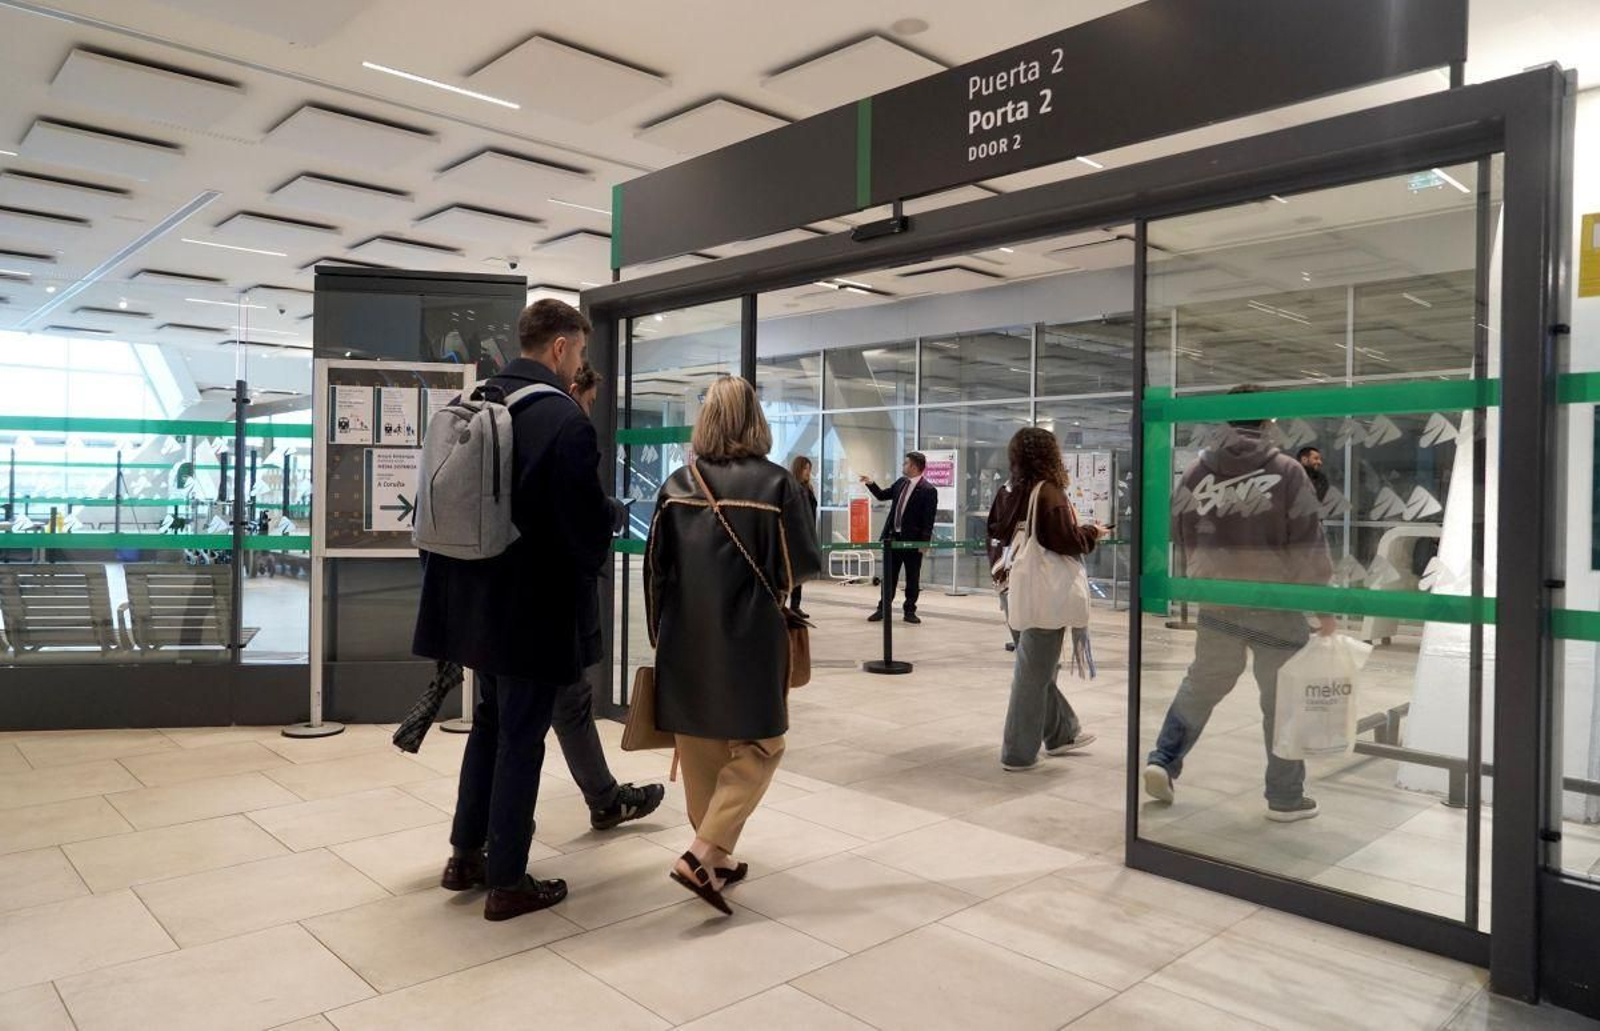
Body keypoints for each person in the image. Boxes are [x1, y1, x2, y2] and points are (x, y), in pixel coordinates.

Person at [414, 298, 612, 921]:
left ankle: (464, 856)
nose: (579, 362)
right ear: (559, 347)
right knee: (523, 740)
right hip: (531, 611)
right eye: (579, 351)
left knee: (491, 728)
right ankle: (507, 881)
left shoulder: (477, 400)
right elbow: (582, 531)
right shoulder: (562, 419)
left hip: (468, 603)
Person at [645, 376, 822, 914]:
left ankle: (716, 857)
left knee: (700, 749)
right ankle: (702, 852)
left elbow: (656, 572)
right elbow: (799, 567)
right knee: (762, 744)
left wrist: (662, 636)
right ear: (756, 419)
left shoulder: (677, 483)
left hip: (684, 635)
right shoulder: (777, 485)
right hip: (750, 636)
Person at [1145, 385, 1336, 822]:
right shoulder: (1288, 472)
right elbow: (1308, 543)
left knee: (1203, 683)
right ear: (1267, 422)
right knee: (1281, 698)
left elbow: (1178, 531)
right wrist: (1323, 605)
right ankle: (1285, 797)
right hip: (1275, 602)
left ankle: (1163, 759)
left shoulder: (1196, 472)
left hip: (1218, 601)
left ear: (1225, 420)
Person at [555, 360, 666, 831]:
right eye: (593, 398)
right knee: (561, 704)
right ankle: (603, 799)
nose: (591, 407)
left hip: (503, 602)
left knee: (556, 705)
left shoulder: (508, 415)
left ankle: (467, 847)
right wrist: (613, 512)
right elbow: (580, 513)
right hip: (554, 599)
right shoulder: (567, 424)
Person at [987, 429, 1107, 772]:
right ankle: (1017, 752)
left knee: (1035, 667)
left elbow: (995, 537)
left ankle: (1062, 733)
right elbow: (1065, 541)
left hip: (1012, 588)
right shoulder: (1048, 492)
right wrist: (1092, 533)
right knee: (1032, 673)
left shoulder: (1007, 492)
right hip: (1042, 593)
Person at [859, 452, 938, 624]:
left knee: (912, 578)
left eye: (906, 463)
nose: (903, 465)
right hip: (893, 539)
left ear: (914, 467)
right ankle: (882, 609)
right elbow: (882, 495)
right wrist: (870, 483)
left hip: (913, 541)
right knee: (889, 577)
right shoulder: (901, 483)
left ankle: (910, 611)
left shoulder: (928, 490)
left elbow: (928, 519)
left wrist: (924, 543)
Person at [788, 455, 818, 618]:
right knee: (789, 573)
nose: (808, 472)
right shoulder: (792, 488)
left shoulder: (808, 488)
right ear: (799, 469)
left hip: (806, 534)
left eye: (810, 469)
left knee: (799, 574)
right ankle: (782, 604)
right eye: (806, 469)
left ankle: (795, 605)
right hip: (794, 535)